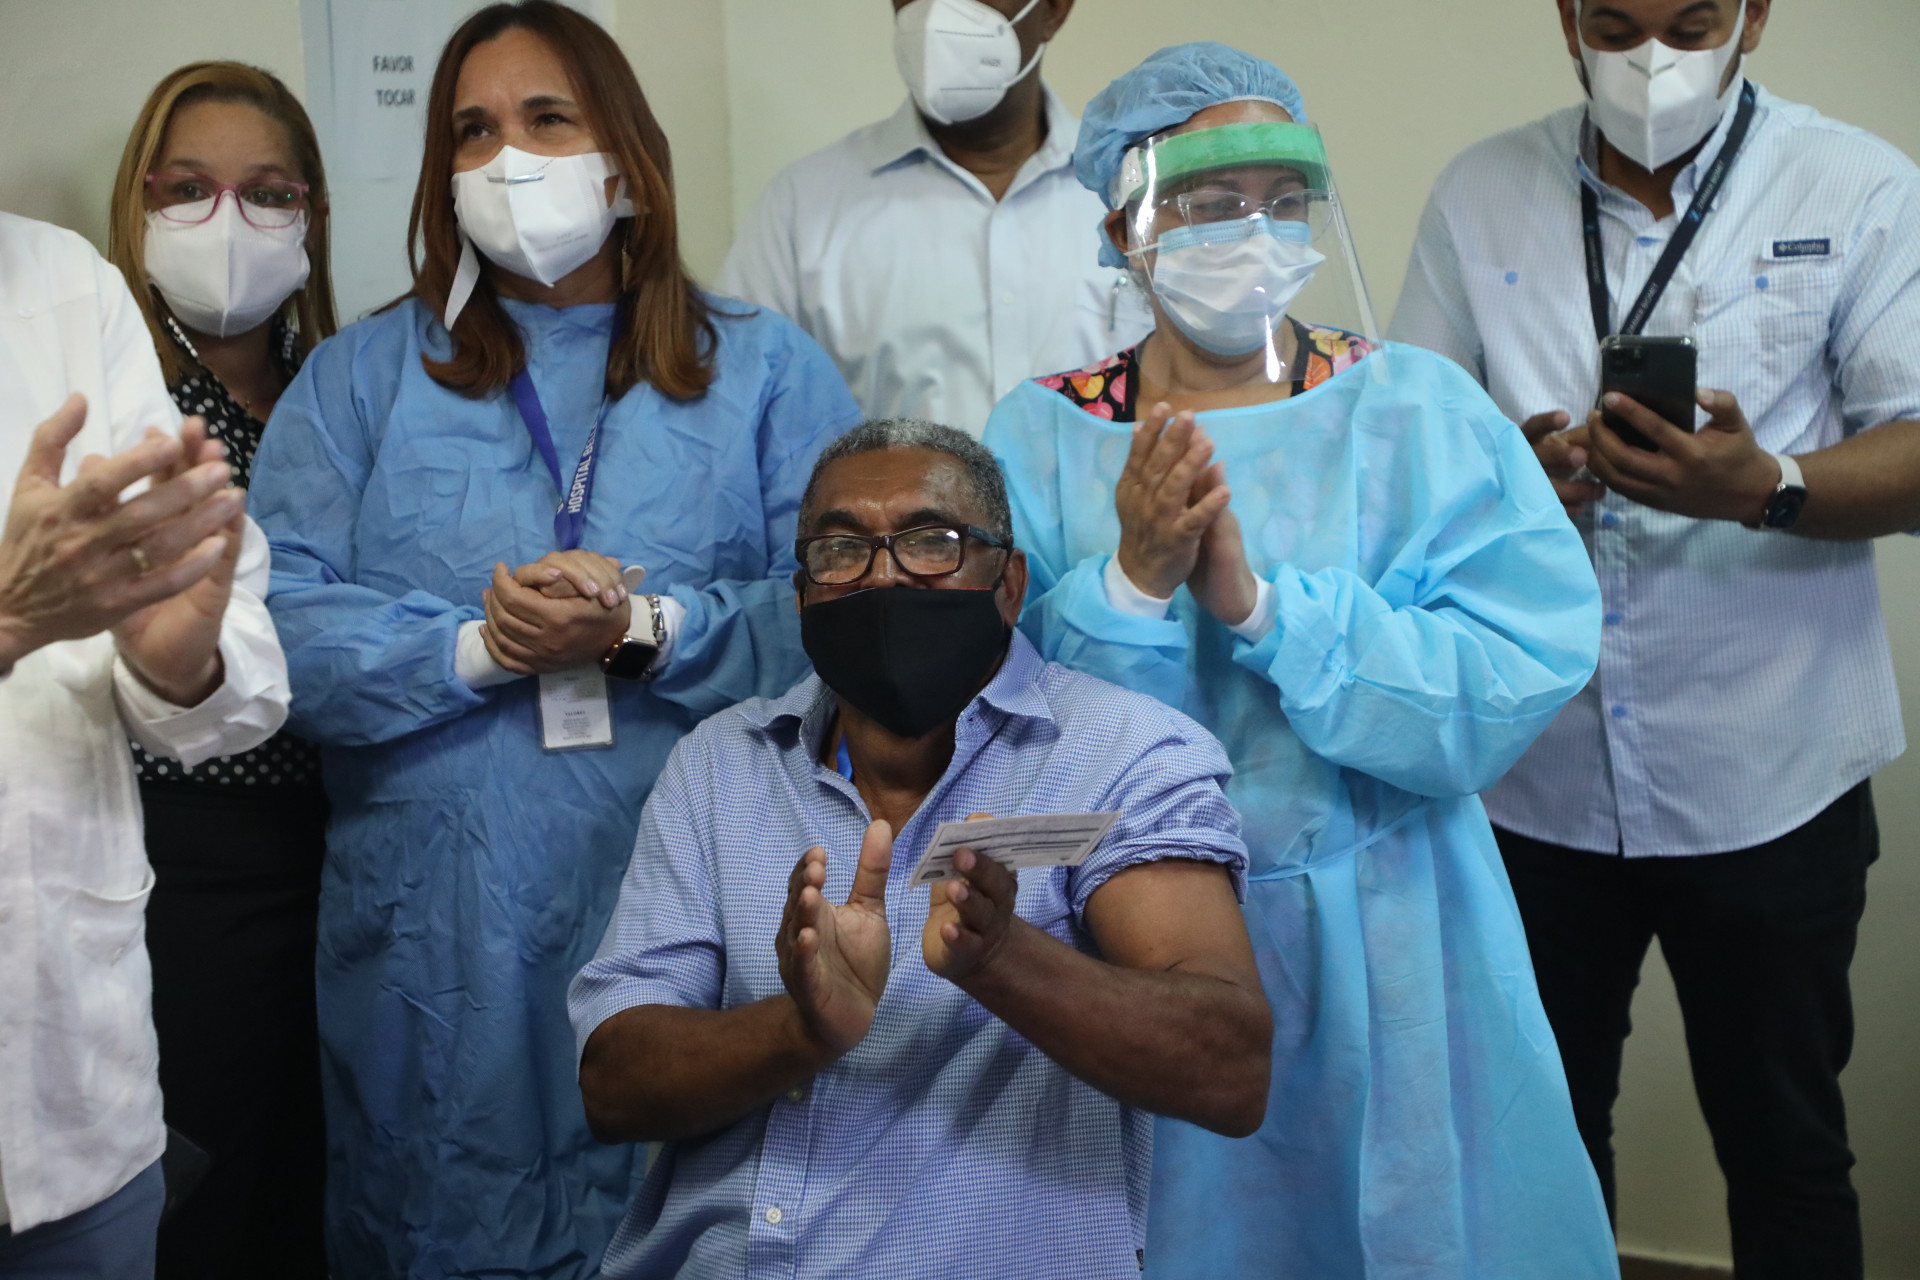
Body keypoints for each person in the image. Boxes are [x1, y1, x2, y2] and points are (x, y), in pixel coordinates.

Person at [983, 43, 1621, 1279]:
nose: (1254, 232)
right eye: (1211, 202)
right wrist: (1130, 585)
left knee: (1413, 1228)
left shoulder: (1415, 409)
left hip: (1401, 929)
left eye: (1283, 200)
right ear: (1124, 230)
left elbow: (1512, 666)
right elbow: (1005, 728)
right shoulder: (1041, 436)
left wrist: (1267, 611)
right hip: (1140, 941)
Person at [245, 4, 861, 1277]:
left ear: (626, 157)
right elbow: (267, 622)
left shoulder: (763, 373)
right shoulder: (362, 380)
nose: (508, 158)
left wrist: (644, 628)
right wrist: (480, 647)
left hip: (693, 902)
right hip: (440, 936)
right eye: (473, 131)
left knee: (693, 1214)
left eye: (546, 120)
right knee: (442, 1217)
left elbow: (839, 606)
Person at [1389, 2, 1920, 1274]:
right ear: (1566, 19)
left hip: (1772, 765)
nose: (1652, 60)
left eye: (1691, 21)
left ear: (1754, 15)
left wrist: (1767, 483)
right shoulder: (1480, 192)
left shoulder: (1856, 185)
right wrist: (1511, 488)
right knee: (1539, 1142)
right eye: (1618, 23)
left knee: (1789, 1148)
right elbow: (1405, 454)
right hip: (1535, 778)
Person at [569, 420, 1270, 1280]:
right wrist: (801, 1029)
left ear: (1008, 583)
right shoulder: (722, 765)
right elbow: (613, 1086)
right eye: (840, 550)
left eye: (932, 542)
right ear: (802, 595)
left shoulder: (1121, 755)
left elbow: (1231, 1070)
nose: (884, 575)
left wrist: (1001, 959)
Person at [0, 212, 289, 1278]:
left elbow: (231, 654)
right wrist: (8, 620)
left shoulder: (62, 281)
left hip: (81, 1109)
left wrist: (179, 657)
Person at [104, 60, 337, 1280]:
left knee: (321, 1191)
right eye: (189, 189)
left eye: (268, 192)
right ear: (138, 203)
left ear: (313, 216)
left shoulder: (347, 396)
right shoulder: (119, 405)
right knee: (203, 1200)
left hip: (349, 850)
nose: (229, 221)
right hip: (181, 862)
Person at [717, 0, 1152, 436]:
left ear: (1053, 11)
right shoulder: (802, 207)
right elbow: (737, 415)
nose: (939, 12)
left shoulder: (1135, 194)